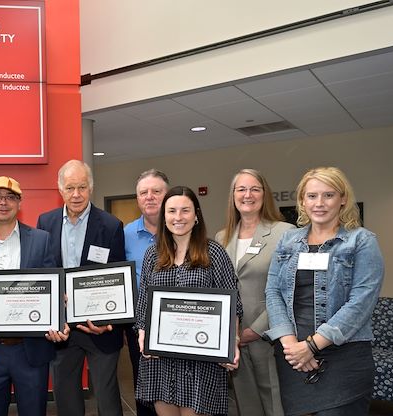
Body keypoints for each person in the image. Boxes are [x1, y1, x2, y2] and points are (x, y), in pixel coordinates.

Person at [265, 167, 384, 416]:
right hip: (293, 356)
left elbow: (360, 303)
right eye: (311, 196)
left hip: (344, 355)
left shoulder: (361, 240)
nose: (319, 203)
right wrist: (291, 345)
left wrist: (312, 345)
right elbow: (273, 292)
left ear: (343, 199)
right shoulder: (288, 241)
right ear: (302, 201)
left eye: (328, 195)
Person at [0, 176, 68, 416]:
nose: (3, 202)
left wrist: (58, 320)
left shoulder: (41, 240)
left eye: (10, 197)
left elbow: (51, 290)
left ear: (20, 203)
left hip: (29, 349)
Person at [135, 185, 242, 416]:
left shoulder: (214, 253)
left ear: (196, 215)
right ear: (164, 217)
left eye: (185, 210)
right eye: (172, 211)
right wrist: (144, 335)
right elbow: (144, 301)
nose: (178, 217)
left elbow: (232, 304)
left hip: (201, 362)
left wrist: (232, 341)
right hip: (159, 361)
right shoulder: (152, 255)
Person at [36, 159, 125, 416]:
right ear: (60, 189)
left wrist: (109, 321)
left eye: (82, 187)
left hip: (100, 328)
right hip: (63, 328)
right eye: (70, 187)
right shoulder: (46, 222)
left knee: (107, 399)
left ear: (91, 188)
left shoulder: (110, 225)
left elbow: (117, 277)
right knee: (65, 396)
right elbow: (44, 272)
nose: (76, 194)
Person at [215, 169, 294, 416]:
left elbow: (288, 290)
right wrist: (231, 333)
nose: (247, 195)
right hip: (233, 338)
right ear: (233, 196)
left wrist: (255, 330)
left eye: (254, 189)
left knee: (275, 405)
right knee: (245, 404)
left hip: (268, 337)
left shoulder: (285, 233)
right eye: (241, 189)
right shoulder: (222, 237)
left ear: (264, 194)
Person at [124, 168, 169, 416]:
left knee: (178, 386)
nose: (149, 197)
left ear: (167, 195)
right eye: (143, 192)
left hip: (177, 323)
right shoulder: (125, 234)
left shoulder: (182, 230)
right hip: (139, 326)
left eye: (156, 191)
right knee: (145, 388)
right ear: (138, 198)